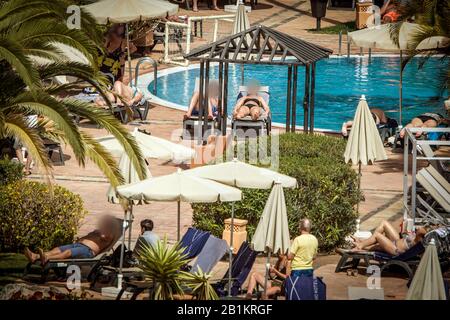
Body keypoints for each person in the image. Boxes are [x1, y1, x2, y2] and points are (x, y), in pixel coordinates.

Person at [24, 215, 120, 265]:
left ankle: (46, 259)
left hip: (87, 251)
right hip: (78, 245)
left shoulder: (110, 234)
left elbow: (104, 236)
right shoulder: (99, 230)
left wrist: (105, 226)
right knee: (57, 249)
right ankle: (35, 256)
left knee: (67, 252)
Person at [351, 220, 427, 255]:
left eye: (421, 228)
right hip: (396, 241)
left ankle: (359, 246)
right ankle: (363, 242)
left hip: (395, 249)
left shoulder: (419, 239)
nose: (419, 227)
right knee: (384, 223)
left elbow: (422, 231)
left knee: (377, 235)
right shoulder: (417, 236)